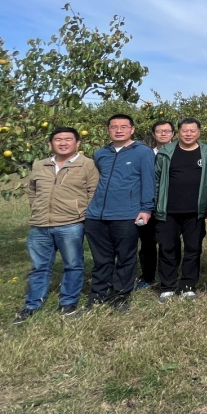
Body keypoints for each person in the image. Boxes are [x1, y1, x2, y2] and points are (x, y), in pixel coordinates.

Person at [15, 127, 99, 323]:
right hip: (40, 224)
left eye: (68, 139)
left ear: (77, 143)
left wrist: (82, 214)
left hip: (71, 224)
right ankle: (32, 304)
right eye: (58, 139)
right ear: (50, 144)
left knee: (73, 265)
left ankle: (68, 303)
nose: (63, 143)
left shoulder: (87, 164)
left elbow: (93, 192)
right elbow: (33, 191)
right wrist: (37, 209)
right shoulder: (40, 165)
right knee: (39, 267)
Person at [85, 114, 156, 311]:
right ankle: (98, 294)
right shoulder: (101, 153)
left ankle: (121, 295)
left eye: (123, 126)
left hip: (126, 214)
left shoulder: (143, 152)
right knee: (101, 259)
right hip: (96, 215)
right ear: (108, 130)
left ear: (132, 129)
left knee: (125, 257)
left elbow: (148, 181)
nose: (118, 130)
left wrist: (146, 208)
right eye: (114, 127)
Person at [153, 118, 207, 303]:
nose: (188, 134)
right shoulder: (166, 152)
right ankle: (167, 287)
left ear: (199, 132)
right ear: (178, 132)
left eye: (192, 131)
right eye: (184, 130)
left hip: (195, 211)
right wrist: (156, 203)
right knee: (167, 248)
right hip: (168, 210)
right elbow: (156, 179)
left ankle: (188, 286)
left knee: (193, 249)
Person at [138, 120, 175, 290]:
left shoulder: (178, 153)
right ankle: (148, 276)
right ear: (154, 134)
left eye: (167, 131)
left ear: (173, 134)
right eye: (159, 131)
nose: (163, 134)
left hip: (170, 205)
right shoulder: (147, 155)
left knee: (169, 243)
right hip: (149, 205)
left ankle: (169, 276)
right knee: (147, 242)